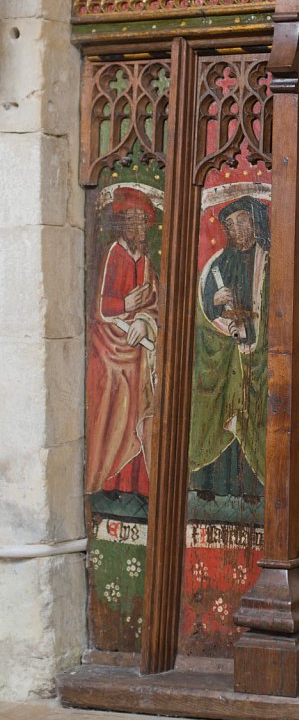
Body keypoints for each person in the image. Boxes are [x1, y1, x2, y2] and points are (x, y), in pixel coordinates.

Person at [189, 197, 270, 503]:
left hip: (258, 354)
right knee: (217, 410)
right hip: (225, 354)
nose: (236, 229)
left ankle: (252, 486)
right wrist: (216, 304)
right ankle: (211, 484)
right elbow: (203, 310)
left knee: (254, 413)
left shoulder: (268, 261)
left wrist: (254, 334)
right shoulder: (218, 264)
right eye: (230, 224)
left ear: (255, 222)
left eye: (242, 221)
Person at [85, 186, 159, 498]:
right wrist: (125, 305)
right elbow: (100, 306)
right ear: (122, 224)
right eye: (131, 220)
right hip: (108, 349)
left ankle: (136, 482)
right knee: (112, 412)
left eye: (142, 221)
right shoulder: (113, 254)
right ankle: (108, 479)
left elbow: (155, 302)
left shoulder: (147, 261)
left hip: (136, 349)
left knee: (136, 412)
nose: (137, 227)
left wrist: (143, 320)